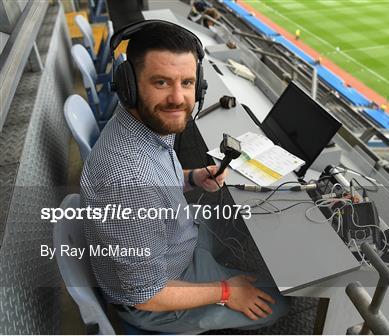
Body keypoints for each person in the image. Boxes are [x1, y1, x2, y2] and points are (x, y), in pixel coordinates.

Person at [80, 21, 289, 334]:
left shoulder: (138, 124)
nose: (178, 99)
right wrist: (227, 292)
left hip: (173, 238)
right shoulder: (130, 181)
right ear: (129, 85)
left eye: (188, 83)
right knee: (279, 303)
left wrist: (192, 178)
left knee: (242, 232)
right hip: (155, 296)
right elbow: (144, 296)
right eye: (161, 82)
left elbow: (154, 183)